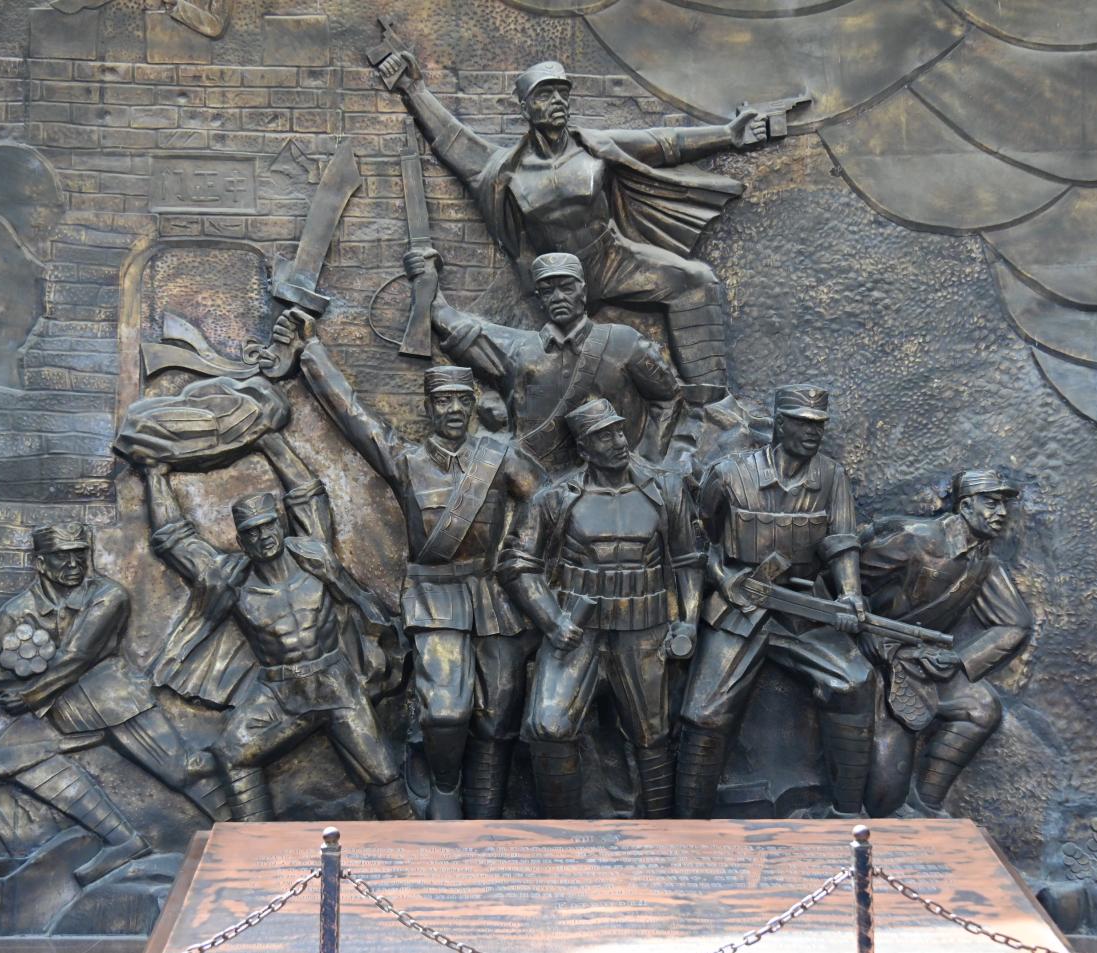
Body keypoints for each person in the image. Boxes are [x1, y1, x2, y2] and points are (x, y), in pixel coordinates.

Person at [380, 53, 790, 401]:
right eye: (545, 95)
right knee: (515, 356)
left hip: (611, 259)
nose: (557, 101)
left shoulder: (594, 147)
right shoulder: (505, 169)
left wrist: (727, 135)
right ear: (525, 108)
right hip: (552, 283)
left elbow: (665, 143)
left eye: (562, 93)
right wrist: (413, 88)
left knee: (696, 281)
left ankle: (711, 405)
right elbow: (452, 141)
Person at [290, 323, 544, 819]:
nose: (454, 410)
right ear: (428, 408)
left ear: (472, 405)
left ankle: (484, 812)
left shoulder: (500, 458)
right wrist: (311, 353)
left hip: (492, 595)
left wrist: (523, 554)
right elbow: (352, 416)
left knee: (497, 717)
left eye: (462, 400)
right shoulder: (406, 462)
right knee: (446, 713)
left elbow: (546, 502)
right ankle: (444, 786)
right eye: (443, 401)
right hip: (435, 596)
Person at [141, 469, 416, 822]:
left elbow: (307, 492)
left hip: (335, 684)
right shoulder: (232, 579)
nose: (263, 536)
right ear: (241, 542)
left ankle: (413, 842)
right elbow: (173, 540)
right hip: (278, 693)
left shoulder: (314, 557)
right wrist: (153, 473)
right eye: (251, 532)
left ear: (281, 525)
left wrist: (270, 440)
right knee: (232, 752)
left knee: (384, 775)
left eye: (268, 525)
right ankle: (257, 840)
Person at [0, 523, 224, 886]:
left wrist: (30, 693)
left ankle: (248, 834)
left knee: (181, 771)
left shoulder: (108, 595)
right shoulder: (19, 610)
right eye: (61, 556)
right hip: (59, 708)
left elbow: (79, 656)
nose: (73, 563)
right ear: (40, 563)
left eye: (79, 554)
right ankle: (123, 841)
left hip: (113, 699)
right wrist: (24, 672)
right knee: (10, 755)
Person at [498, 398, 703, 818]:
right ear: (584, 448)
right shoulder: (556, 499)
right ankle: (562, 835)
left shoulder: (665, 490)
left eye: (619, 431)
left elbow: (688, 560)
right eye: (604, 436)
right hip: (576, 630)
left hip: (643, 628)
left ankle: (663, 833)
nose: (618, 441)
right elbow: (518, 565)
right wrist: (551, 621)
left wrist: (689, 622)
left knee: (652, 735)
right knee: (549, 726)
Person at [676, 385, 874, 818]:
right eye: (803, 423)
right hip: (740, 607)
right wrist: (723, 579)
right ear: (780, 424)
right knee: (704, 714)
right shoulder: (729, 474)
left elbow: (842, 543)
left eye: (819, 424)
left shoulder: (832, 477)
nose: (813, 432)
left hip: (803, 608)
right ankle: (689, 825)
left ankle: (846, 817)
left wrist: (850, 595)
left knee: (855, 682)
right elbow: (696, 539)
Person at [408, 248, 680, 475]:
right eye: (548, 290)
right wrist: (425, 277)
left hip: (615, 488)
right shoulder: (519, 349)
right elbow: (454, 324)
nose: (558, 297)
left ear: (583, 291)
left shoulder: (625, 342)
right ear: (539, 299)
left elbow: (669, 398)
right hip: (535, 487)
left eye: (566, 287)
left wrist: (648, 460)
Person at [859, 469, 1033, 816]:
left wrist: (960, 658)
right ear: (965, 506)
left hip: (923, 664)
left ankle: (926, 804)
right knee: (883, 796)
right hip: (875, 660)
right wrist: (864, 629)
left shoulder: (983, 562)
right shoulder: (916, 539)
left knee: (981, 707)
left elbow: (1016, 622)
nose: (1002, 513)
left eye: (1005, 505)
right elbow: (846, 581)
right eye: (991, 503)